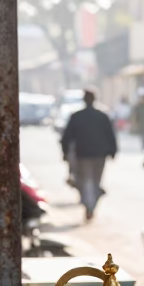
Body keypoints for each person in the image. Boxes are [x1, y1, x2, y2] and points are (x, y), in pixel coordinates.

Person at [60, 89, 118, 221]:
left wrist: (65, 153)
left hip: (83, 155)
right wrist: (113, 151)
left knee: (86, 181)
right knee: (94, 181)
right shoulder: (102, 116)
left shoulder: (76, 116)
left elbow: (66, 138)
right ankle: (90, 204)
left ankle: (89, 205)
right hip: (98, 155)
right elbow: (111, 136)